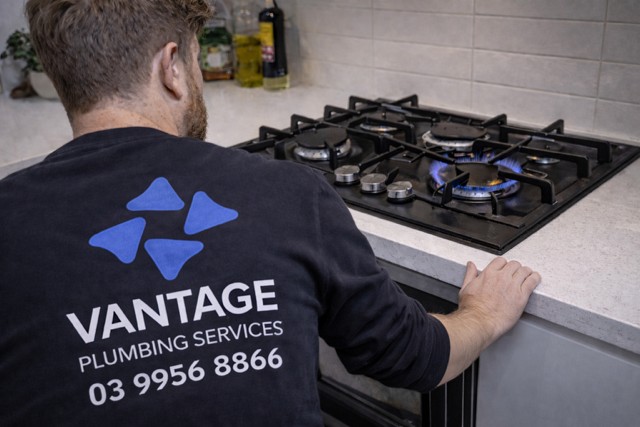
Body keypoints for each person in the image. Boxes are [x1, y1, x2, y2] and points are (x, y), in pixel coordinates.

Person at [0, 0, 541, 425]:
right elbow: (414, 357)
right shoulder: (288, 194)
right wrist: (484, 315)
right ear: (172, 69)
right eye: (196, 59)